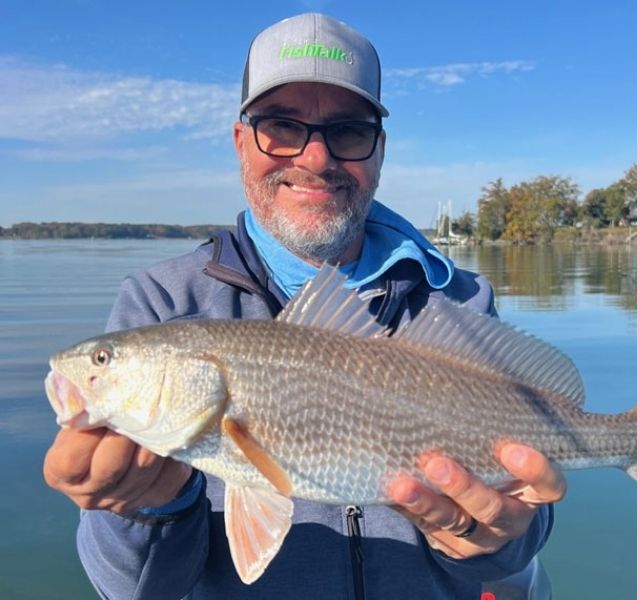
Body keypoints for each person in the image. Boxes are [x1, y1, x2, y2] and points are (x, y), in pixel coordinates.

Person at [43, 13, 565, 599]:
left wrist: (495, 536)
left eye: (347, 130)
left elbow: (524, 523)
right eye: (281, 127)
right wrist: (147, 508)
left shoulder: (461, 301)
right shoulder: (163, 302)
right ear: (242, 142)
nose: (315, 159)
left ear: (380, 151)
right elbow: (135, 588)